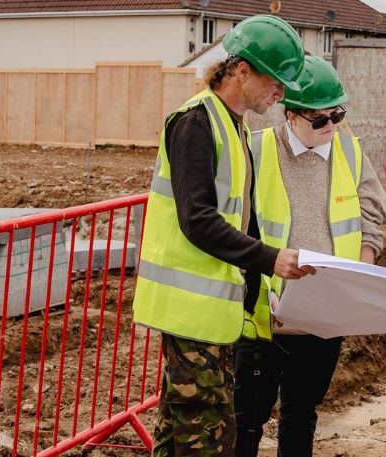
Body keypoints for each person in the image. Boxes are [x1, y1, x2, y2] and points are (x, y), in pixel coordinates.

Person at [131, 14, 315, 456]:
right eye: (276, 81)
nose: (281, 93)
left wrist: (262, 293)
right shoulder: (195, 123)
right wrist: (270, 259)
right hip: (188, 314)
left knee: (181, 436)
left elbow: (239, 221)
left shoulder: (234, 126)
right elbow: (197, 220)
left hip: (212, 317)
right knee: (208, 440)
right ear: (243, 70)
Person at [233, 55, 386, 457]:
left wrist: (364, 267)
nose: (331, 126)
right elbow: (235, 225)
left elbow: (372, 214)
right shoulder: (257, 149)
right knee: (248, 418)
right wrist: (255, 287)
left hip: (323, 320)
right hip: (264, 318)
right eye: (320, 120)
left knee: (302, 414)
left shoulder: (350, 153)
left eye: (336, 115)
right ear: (291, 115)